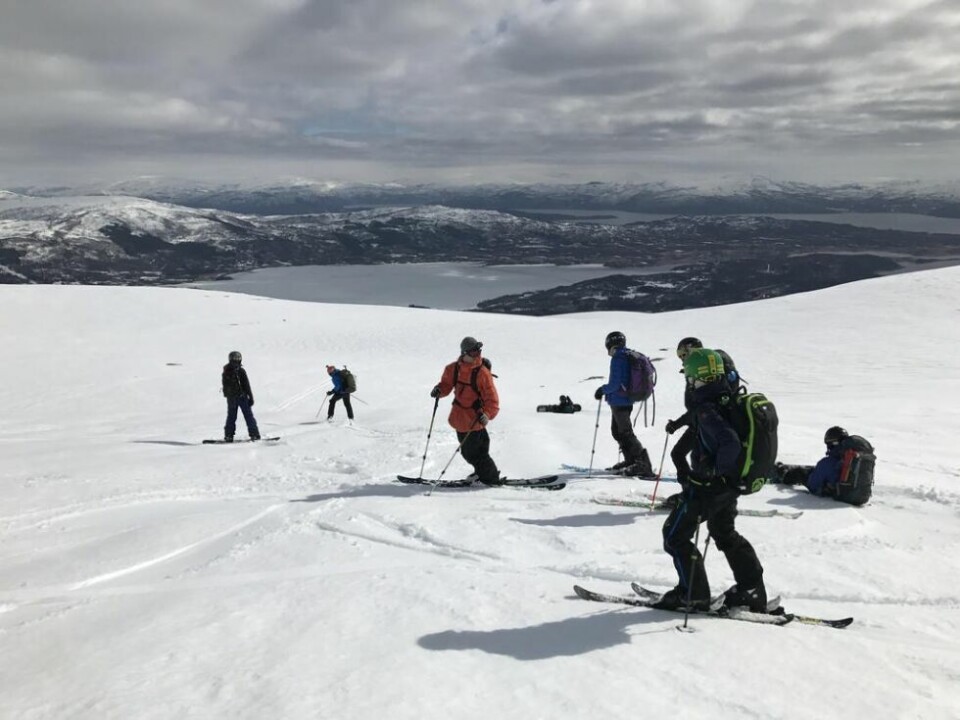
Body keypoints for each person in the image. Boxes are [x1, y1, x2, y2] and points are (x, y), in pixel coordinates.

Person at [656, 348, 767, 612]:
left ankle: (692, 595)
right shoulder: (724, 398)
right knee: (723, 532)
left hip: (709, 488)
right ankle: (751, 590)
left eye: (690, 377)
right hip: (730, 486)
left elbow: (730, 442)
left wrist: (714, 474)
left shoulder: (706, 408)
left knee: (674, 536)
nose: (688, 382)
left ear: (697, 377)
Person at [666, 337, 740, 482]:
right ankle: (692, 486)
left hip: (707, 422)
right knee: (688, 457)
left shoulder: (704, 372)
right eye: (680, 356)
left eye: (683, 354)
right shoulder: (703, 368)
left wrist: (677, 424)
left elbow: (700, 408)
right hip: (702, 420)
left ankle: (693, 486)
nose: (682, 359)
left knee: (688, 457)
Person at [430, 336, 502, 485]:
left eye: (478, 351)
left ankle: (491, 479)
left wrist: (487, 414)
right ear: (464, 353)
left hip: (476, 419)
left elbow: (492, 400)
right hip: (460, 418)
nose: (477, 355)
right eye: (473, 352)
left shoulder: (482, 373)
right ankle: (481, 473)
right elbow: (446, 384)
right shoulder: (454, 369)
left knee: (473, 453)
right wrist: (439, 390)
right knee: (475, 452)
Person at [595, 331, 654, 476]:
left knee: (626, 433)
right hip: (625, 400)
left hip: (619, 401)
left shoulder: (618, 358)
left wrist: (602, 390)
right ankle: (631, 460)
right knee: (617, 432)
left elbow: (615, 384)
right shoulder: (627, 355)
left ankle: (643, 464)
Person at [774, 427, 875, 506]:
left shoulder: (828, 462)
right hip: (859, 496)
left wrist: (804, 476)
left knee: (801, 472)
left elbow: (814, 484)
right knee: (816, 470)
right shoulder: (853, 459)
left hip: (837, 493)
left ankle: (781, 474)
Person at [222, 350, 260, 442]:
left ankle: (229, 436)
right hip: (241, 397)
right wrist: (250, 397)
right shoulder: (240, 371)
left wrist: (228, 395)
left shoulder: (226, 371)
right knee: (248, 416)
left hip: (231, 398)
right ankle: (254, 434)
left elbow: (225, 385)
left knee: (231, 417)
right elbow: (246, 385)